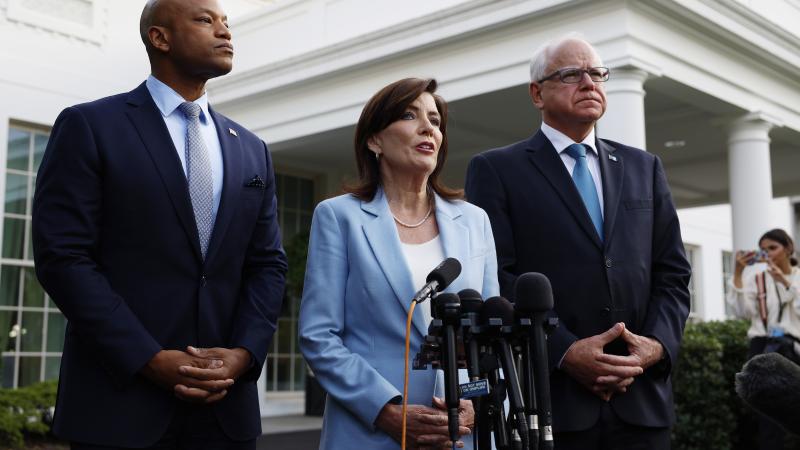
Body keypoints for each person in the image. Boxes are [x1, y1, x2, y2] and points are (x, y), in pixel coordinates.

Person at [31, 0, 287, 448]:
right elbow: (63, 257)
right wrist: (148, 358)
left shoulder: (252, 149)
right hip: (119, 405)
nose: (225, 32)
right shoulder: (90, 126)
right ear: (160, 38)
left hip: (226, 411)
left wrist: (244, 354)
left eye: (227, 22)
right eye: (206, 20)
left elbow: (267, 265)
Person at [465, 34, 691, 450]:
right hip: (552, 405)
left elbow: (673, 272)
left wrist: (655, 347)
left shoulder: (644, 167)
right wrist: (566, 351)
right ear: (537, 93)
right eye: (572, 74)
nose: (589, 83)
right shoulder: (496, 170)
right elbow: (496, 274)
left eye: (598, 74)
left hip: (641, 402)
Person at [299, 78, 499, 450]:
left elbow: (490, 337)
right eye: (410, 115)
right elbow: (319, 337)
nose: (428, 128)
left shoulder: (474, 222)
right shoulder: (338, 217)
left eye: (436, 121)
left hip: (460, 436)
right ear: (374, 140)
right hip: (370, 431)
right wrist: (385, 409)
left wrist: (475, 403)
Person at [727, 228, 800, 450]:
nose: (767, 253)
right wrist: (738, 272)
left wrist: (786, 283)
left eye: (773, 248)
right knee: (769, 418)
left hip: (795, 349)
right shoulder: (756, 279)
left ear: (788, 248)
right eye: (762, 250)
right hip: (764, 348)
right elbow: (740, 312)